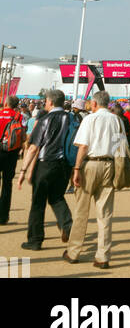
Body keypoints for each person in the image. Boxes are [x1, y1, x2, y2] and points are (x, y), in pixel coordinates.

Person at [63, 89, 124, 268]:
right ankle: (103, 256)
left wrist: (76, 169)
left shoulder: (90, 119)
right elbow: (121, 147)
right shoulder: (117, 120)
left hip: (90, 163)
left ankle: (74, 251)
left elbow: (83, 146)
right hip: (110, 164)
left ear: (95, 103)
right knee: (105, 213)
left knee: (81, 210)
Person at [17, 89, 73, 251]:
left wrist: (23, 170)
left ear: (50, 102)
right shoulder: (71, 118)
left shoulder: (45, 120)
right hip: (65, 165)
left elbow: (34, 147)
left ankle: (35, 239)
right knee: (57, 197)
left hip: (46, 164)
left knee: (38, 202)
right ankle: (68, 226)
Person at [0, 95, 25, 225]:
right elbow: (23, 136)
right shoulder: (19, 117)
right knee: (7, 184)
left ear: (6, 103)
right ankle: (3, 216)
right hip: (11, 152)